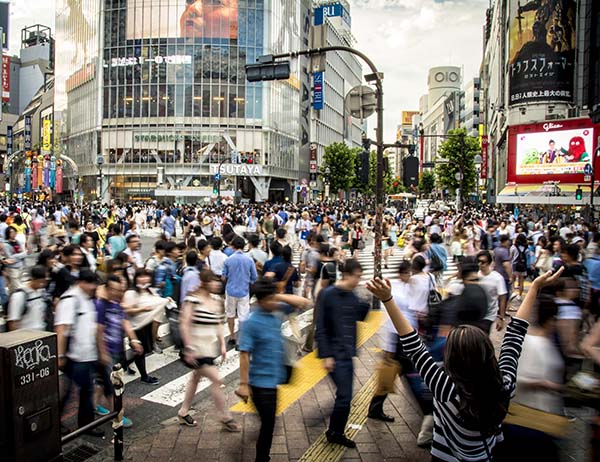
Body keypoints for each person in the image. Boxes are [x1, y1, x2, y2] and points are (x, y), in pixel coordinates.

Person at [365, 268, 564, 462]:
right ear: (487, 353)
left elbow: (413, 345)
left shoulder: (444, 388)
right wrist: (535, 287)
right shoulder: (503, 385)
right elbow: (515, 336)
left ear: (451, 359)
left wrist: (388, 300)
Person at [236, 278, 310, 462]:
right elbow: (244, 353)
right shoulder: (251, 322)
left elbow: (303, 303)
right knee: (269, 424)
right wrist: (244, 385)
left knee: (268, 423)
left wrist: (275, 295)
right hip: (259, 382)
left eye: (273, 298)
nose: (273, 302)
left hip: (274, 378)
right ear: (260, 301)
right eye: (268, 299)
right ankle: (262, 458)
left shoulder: (275, 312)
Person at [501, 297, 564, 462]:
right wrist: (546, 384)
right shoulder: (536, 344)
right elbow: (517, 377)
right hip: (529, 422)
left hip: (535, 421)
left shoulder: (533, 341)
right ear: (551, 320)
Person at [316, 259, 371, 448]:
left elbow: (360, 317)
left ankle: (334, 430)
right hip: (335, 353)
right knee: (345, 396)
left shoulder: (353, 295)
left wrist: (366, 299)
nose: (358, 280)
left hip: (347, 352)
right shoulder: (327, 294)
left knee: (344, 396)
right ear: (346, 274)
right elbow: (320, 326)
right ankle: (335, 432)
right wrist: (326, 355)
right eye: (357, 276)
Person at [177, 270, 240, 431]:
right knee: (217, 380)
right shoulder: (193, 299)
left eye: (218, 281)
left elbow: (219, 324)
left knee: (195, 378)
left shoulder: (217, 300)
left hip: (208, 349)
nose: (217, 284)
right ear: (205, 282)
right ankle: (225, 417)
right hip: (195, 349)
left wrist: (223, 344)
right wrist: (189, 347)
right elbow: (184, 323)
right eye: (213, 281)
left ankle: (183, 411)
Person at [55, 269, 104, 436]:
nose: (93, 287)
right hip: (75, 356)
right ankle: (84, 425)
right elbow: (62, 328)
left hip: (86, 354)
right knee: (83, 390)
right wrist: (60, 355)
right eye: (91, 284)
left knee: (76, 391)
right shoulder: (71, 299)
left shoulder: (87, 298)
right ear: (81, 282)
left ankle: (77, 424)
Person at [94, 274, 142, 426]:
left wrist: (134, 340)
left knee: (102, 383)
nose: (117, 293)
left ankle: (92, 407)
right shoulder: (101, 305)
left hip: (116, 350)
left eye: (119, 290)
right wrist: (102, 352)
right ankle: (118, 418)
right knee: (114, 386)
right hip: (107, 352)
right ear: (106, 289)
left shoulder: (116, 305)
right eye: (114, 290)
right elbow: (98, 331)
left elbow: (125, 322)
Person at [121, 269, 166, 384]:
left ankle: (125, 364)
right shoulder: (131, 293)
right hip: (135, 328)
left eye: (146, 277)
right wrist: (142, 309)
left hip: (146, 326)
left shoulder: (149, 291)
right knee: (140, 351)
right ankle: (144, 376)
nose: (144, 279)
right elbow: (128, 311)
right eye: (140, 277)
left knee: (142, 350)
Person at [222, 236, 258, 347]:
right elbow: (254, 277)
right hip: (244, 291)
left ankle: (232, 336)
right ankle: (241, 339)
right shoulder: (249, 260)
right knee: (243, 316)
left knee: (230, 314)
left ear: (233, 246)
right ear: (244, 246)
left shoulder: (228, 260)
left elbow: (223, 277)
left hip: (230, 290)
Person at [7, 265, 51, 331]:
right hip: (27, 335)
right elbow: (13, 321)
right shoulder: (20, 295)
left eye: (44, 282)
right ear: (33, 278)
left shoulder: (41, 291)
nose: (42, 284)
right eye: (40, 282)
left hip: (42, 333)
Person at [478, 250, 508, 333]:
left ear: (489, 263)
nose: (479, 264)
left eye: (483, 262)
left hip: (489, 315)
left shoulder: (497, 278)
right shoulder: (475, 275)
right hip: (476, 314)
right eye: (478, 261)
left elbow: (502, 298)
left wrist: (501, 318)